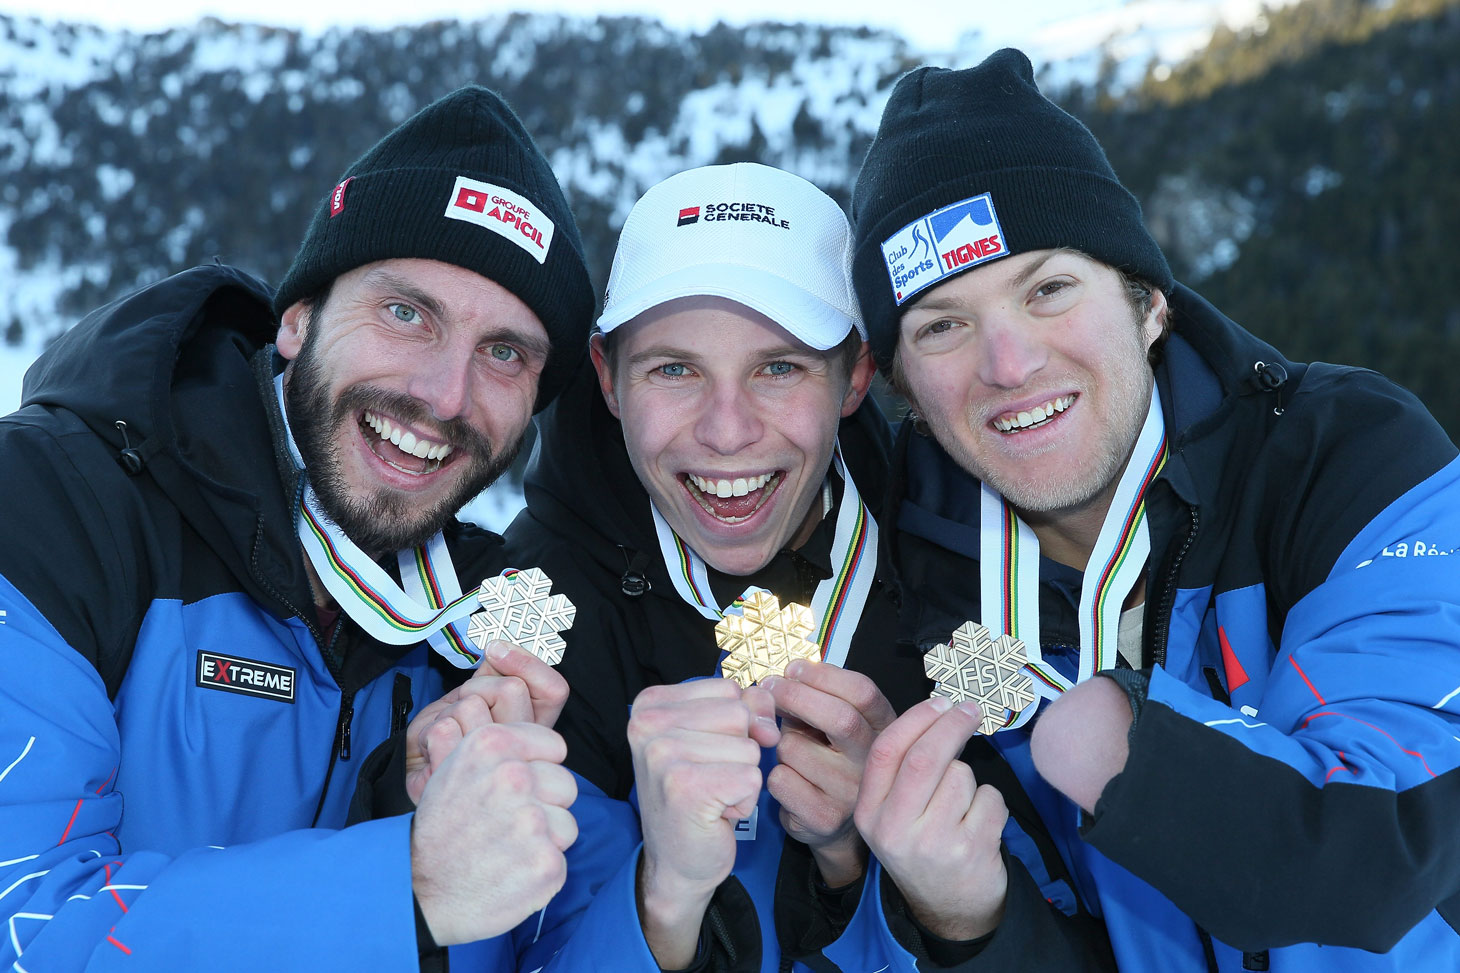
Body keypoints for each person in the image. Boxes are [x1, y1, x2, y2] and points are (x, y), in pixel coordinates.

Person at [838, 47, 1460, 971]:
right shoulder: (916, 605)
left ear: (1149, 303)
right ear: (904, 389)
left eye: (1048, 288)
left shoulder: (1347, 458)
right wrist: (971, 925)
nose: (1008, 364)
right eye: (942, 325)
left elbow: (1375, 849)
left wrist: (1114, 733)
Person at [0, 85, 594, 969]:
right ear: (297, 318)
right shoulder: (50, 504)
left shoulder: (488, 623)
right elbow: (26, 921)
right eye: (407, 313)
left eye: (504, 352)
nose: (443, 396)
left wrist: (395, 796)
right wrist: (407, 883)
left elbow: (546, 936)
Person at [478, 162, 1109, 973]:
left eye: (778, 368)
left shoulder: (973, 581)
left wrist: (863, 869)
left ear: (855, 375)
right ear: (606, 376)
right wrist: (661, 898)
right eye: (675, 368)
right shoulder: (536, 619)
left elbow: (1089, 935)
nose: (728, 430)